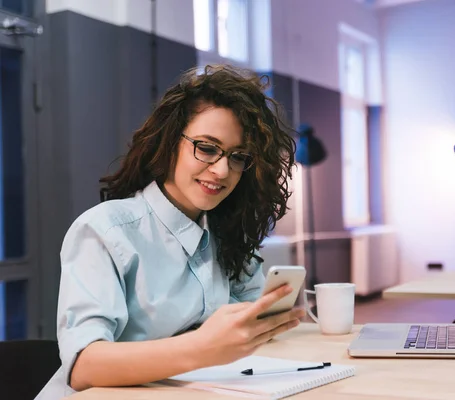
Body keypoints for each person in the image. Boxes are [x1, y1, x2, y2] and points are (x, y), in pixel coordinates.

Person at [36, 64, 304, 399]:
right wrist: (202, 346)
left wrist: (275, 319)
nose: (222, 170)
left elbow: (249, 325)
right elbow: (83, 368)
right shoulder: (104, 230)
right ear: (169, 142)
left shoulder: (227, 234)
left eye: (238, 157)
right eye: (206, 148)